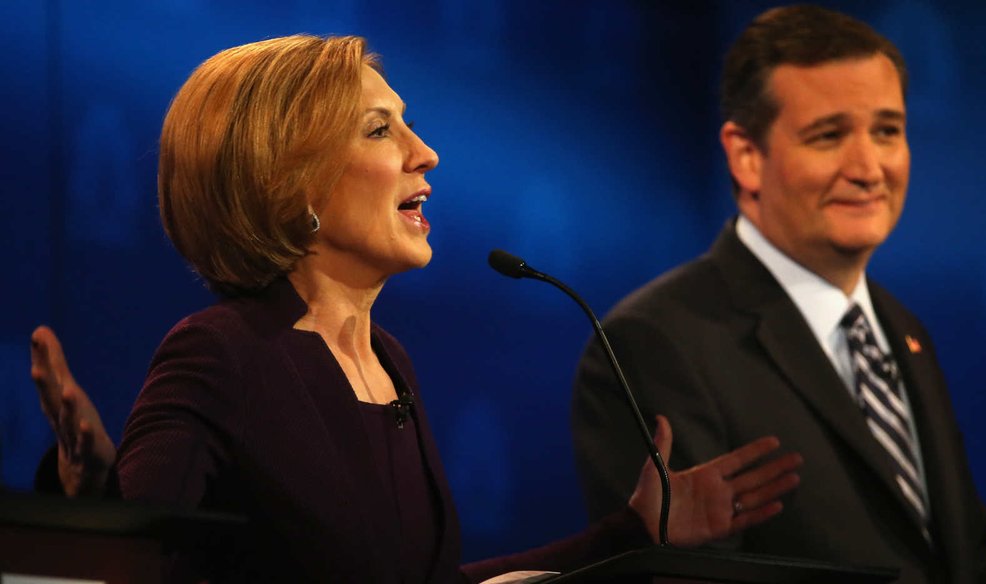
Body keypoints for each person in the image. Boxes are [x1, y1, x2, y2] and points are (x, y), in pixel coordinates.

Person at [30, 35, 803, 583]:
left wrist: (631, 536)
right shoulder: (222, 355)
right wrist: (93, 499)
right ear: (288, 179)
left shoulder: (387, 361)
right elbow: (136, 565)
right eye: (380, 128)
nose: (423, 150)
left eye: (407, 121)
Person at [572, 6, 986, 584]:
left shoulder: (902, 330)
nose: (868, 167)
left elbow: (966, 559)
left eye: (887, 131)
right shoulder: (654, 344)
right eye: (829, 135)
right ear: (746, 156)